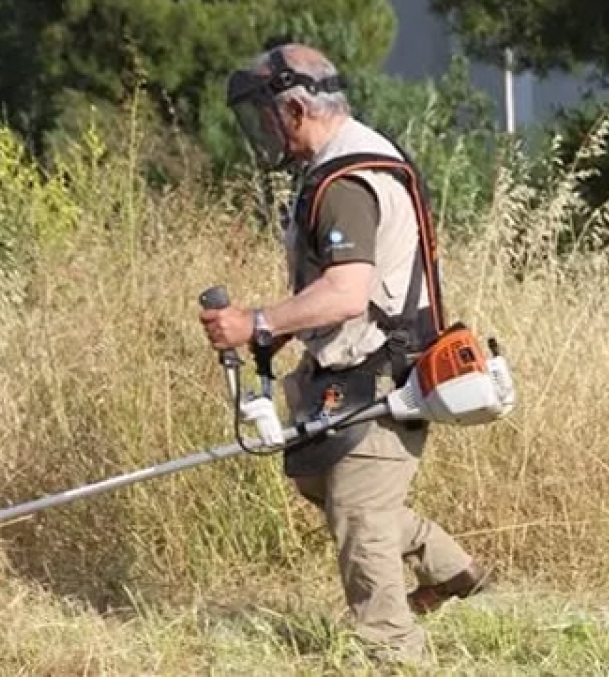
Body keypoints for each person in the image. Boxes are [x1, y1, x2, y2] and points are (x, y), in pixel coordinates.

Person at [199, 44, 490, 664]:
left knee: (361, 521)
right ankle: (453, 569)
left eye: (265, 118)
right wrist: (277, 330)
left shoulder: (346, 180)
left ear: (297, 109)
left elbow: (347, 291)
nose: (262, 134)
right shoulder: (342, 162)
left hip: (382, 376)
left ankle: (395, 656)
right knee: (318, 481)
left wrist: (256, 320)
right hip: (347, 367)